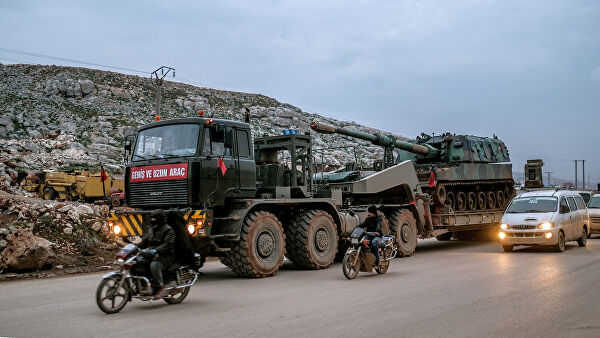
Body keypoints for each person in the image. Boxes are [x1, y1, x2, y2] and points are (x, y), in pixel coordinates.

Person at [139, 210, 176, 299]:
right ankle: (144, 284)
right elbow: (144, 242)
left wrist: (155, 250)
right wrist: (134, 246)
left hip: (166, 256)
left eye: (154, 218)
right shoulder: (151, 230)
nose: (152, 219)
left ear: (160, 219)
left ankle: (161, 287)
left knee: (154, 265)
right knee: (138, 261)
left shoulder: (168, 230)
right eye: (151, 218)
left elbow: (167, 245)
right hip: (152, 254)